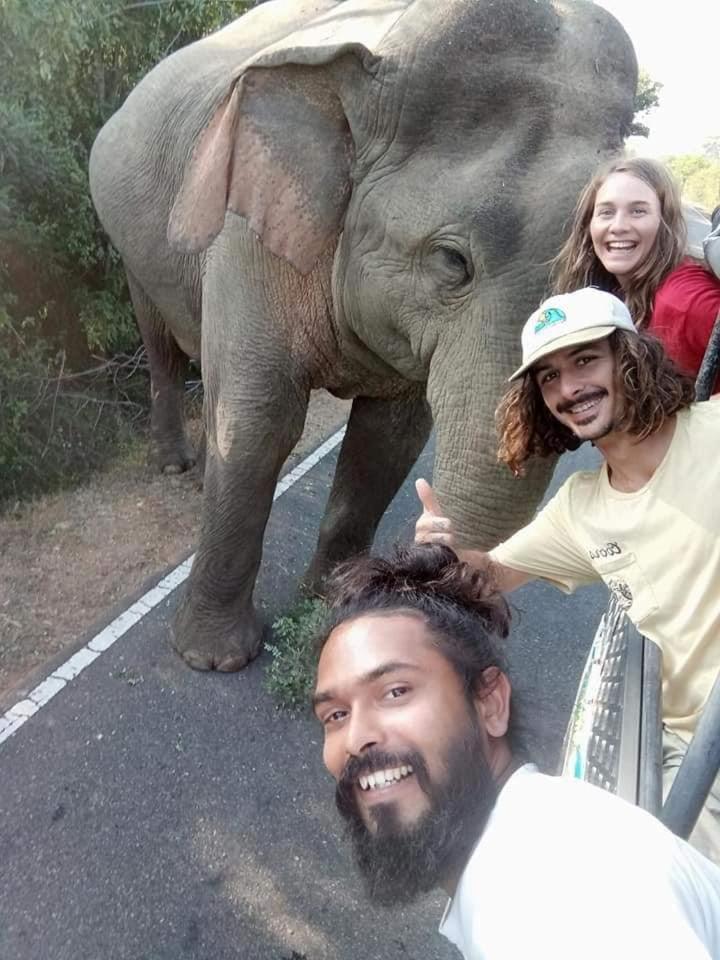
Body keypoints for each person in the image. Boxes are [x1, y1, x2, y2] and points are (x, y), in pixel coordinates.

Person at [415, 286, 720, 861]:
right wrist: (446, 554)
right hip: (686, 759)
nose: (569, 388)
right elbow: (492, 575)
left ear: (629, 356)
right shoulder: (581, 509)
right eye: (549, 377)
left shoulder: (714, 429)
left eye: (585, 360)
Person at [313, 543, 720, 960]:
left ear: (490, 703)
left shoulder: (557, 892)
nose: (355, 738)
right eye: (336, 715)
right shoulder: (521, 852)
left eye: (396, 691)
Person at [552, 157, 720, 392]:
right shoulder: (622, 294)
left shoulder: (685, 302)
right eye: (606, 212)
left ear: (665, 222)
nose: (618, 226)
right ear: (589, 225)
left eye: (638, 211)